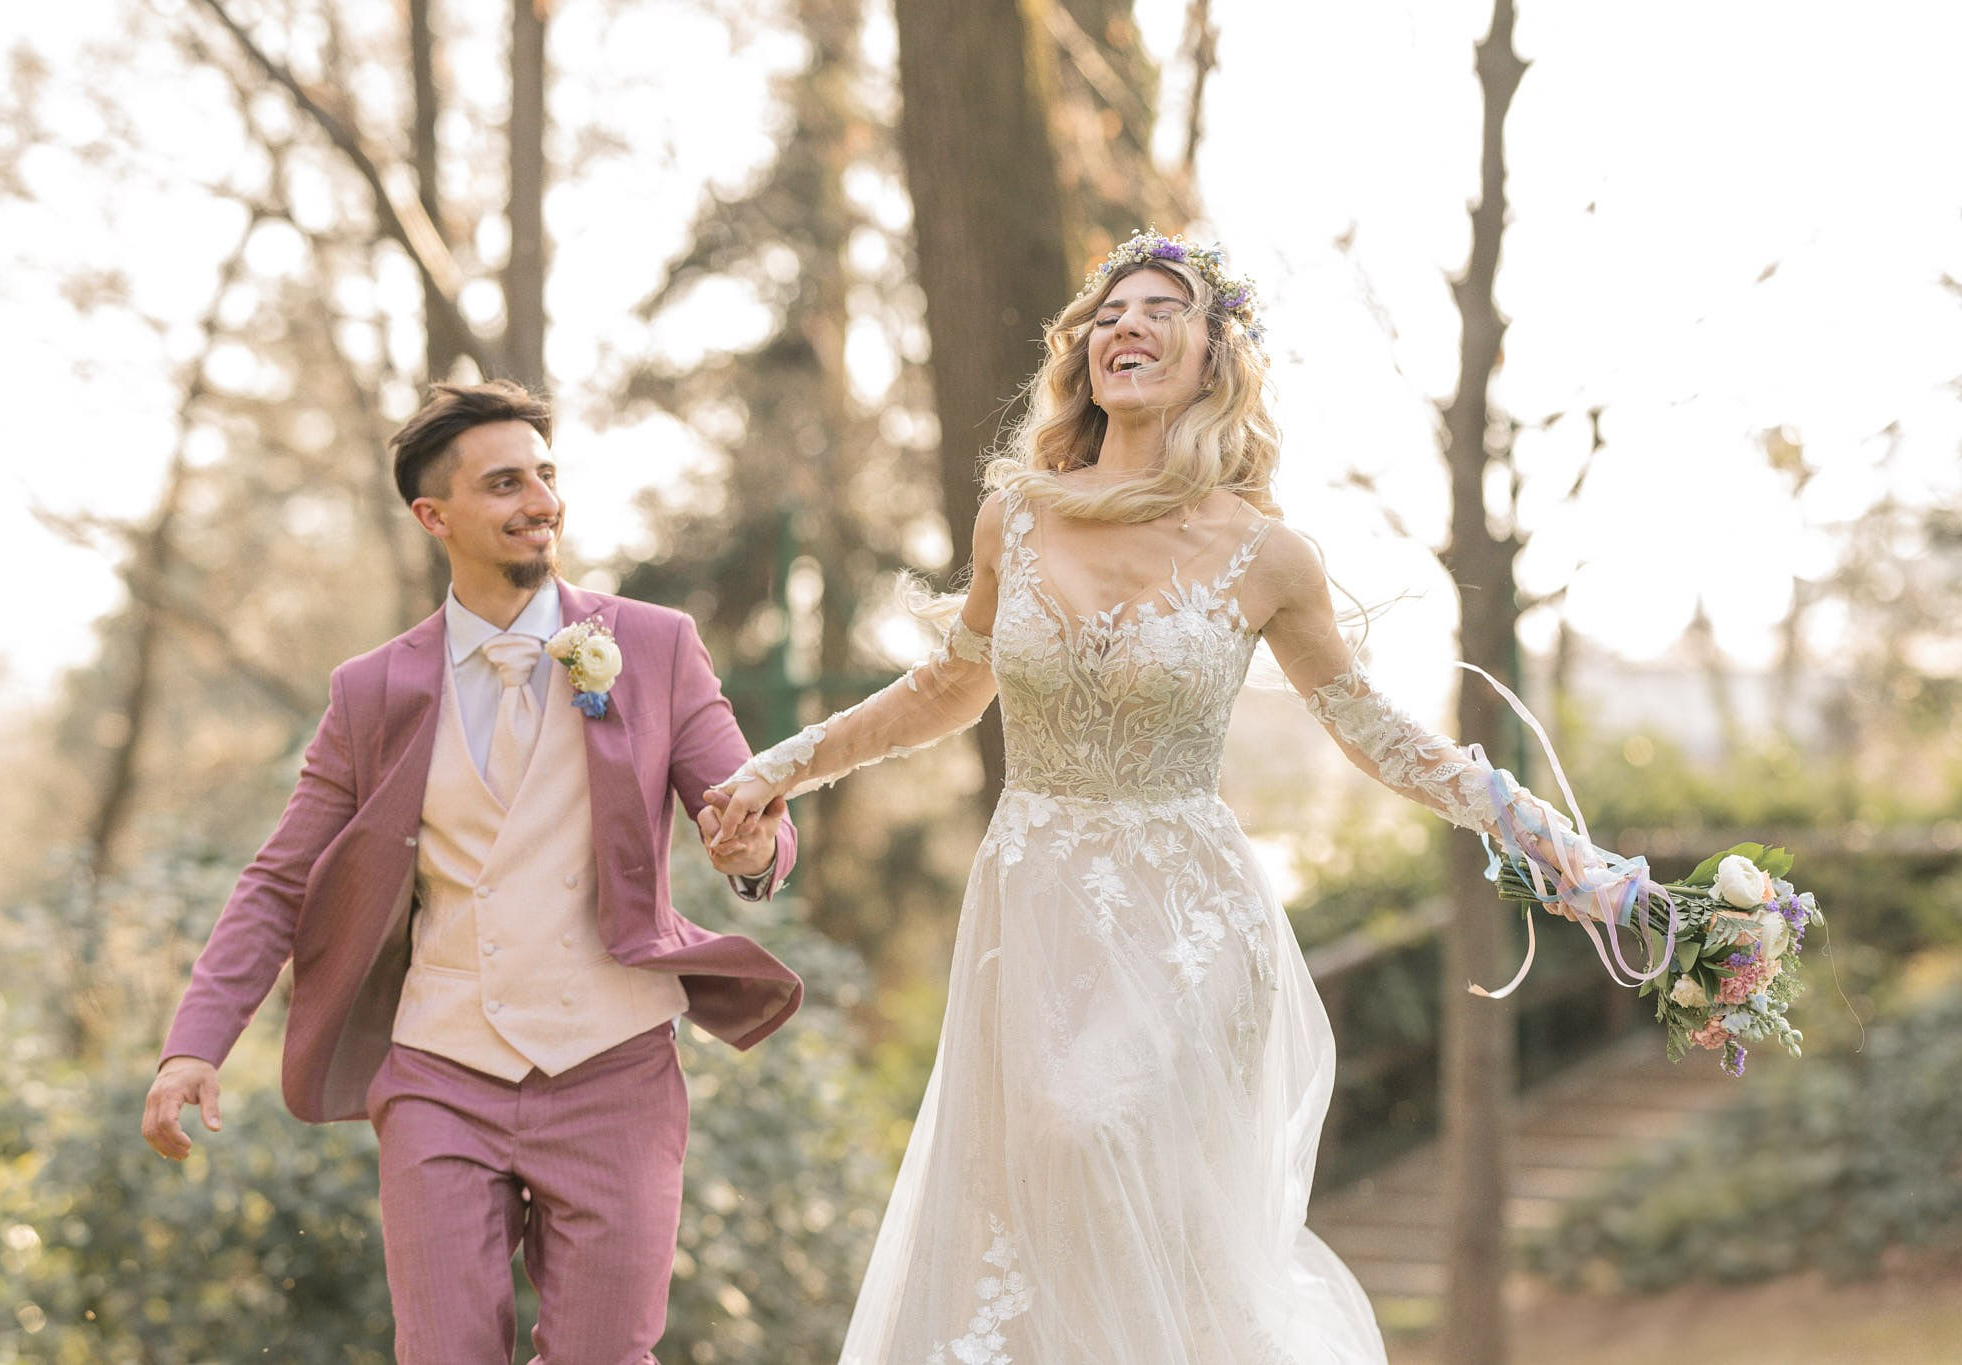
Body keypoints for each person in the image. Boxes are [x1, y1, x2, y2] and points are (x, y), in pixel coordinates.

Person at [710, 232, 1594, 1363]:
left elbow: (1369, 727)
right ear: (1081, 357)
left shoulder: (1266, 554)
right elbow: (946, 687)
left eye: (1160, 307)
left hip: (1185, 920)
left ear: (1214, 358)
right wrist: (776, 766)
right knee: (1041, 1210)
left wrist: (1526, 826)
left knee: (1094, 1139)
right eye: (1108, 312)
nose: (1124, 325)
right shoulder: (1014, 519)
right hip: (1033, 913)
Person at [142, 379, 803, 1365]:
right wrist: (193, 1045)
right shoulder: (371, 692)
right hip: (439, 1070)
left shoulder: (652, 646)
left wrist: (754, 854)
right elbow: (281, 878)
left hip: (613, 1060)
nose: (539, 500)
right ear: (433, 515)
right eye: (504, 484)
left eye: (544, 475)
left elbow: (750, 810)